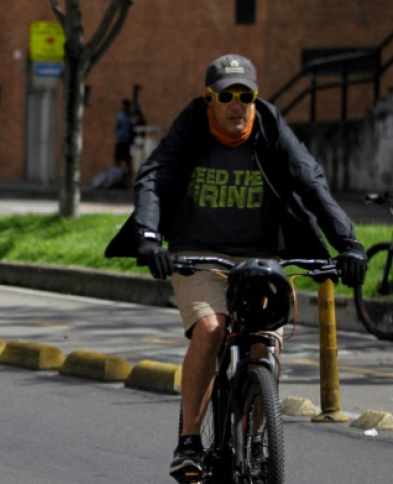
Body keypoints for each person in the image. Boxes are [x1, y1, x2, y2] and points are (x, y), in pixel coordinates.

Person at [104, 53, 367, 483]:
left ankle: (255, 434)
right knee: (211, 328)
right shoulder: (192, 125)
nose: (237, 104)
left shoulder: (268, 124)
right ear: (209, 98)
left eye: (245, 95)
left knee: (265, 342)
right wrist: (149, 238)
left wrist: (348, 243)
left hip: (260, 257)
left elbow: (310, 180)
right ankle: (189, 441)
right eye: (226, 95)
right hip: (197, 252)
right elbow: (154, 176)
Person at [114, 98, 135, 186]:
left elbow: (132, 128)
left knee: (128, 161)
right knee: (117, 160)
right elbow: (117, 127)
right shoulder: (120, 116)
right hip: (120, 141)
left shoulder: (130, 117)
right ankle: (116, 178)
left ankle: (130, 181)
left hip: (127, 142)